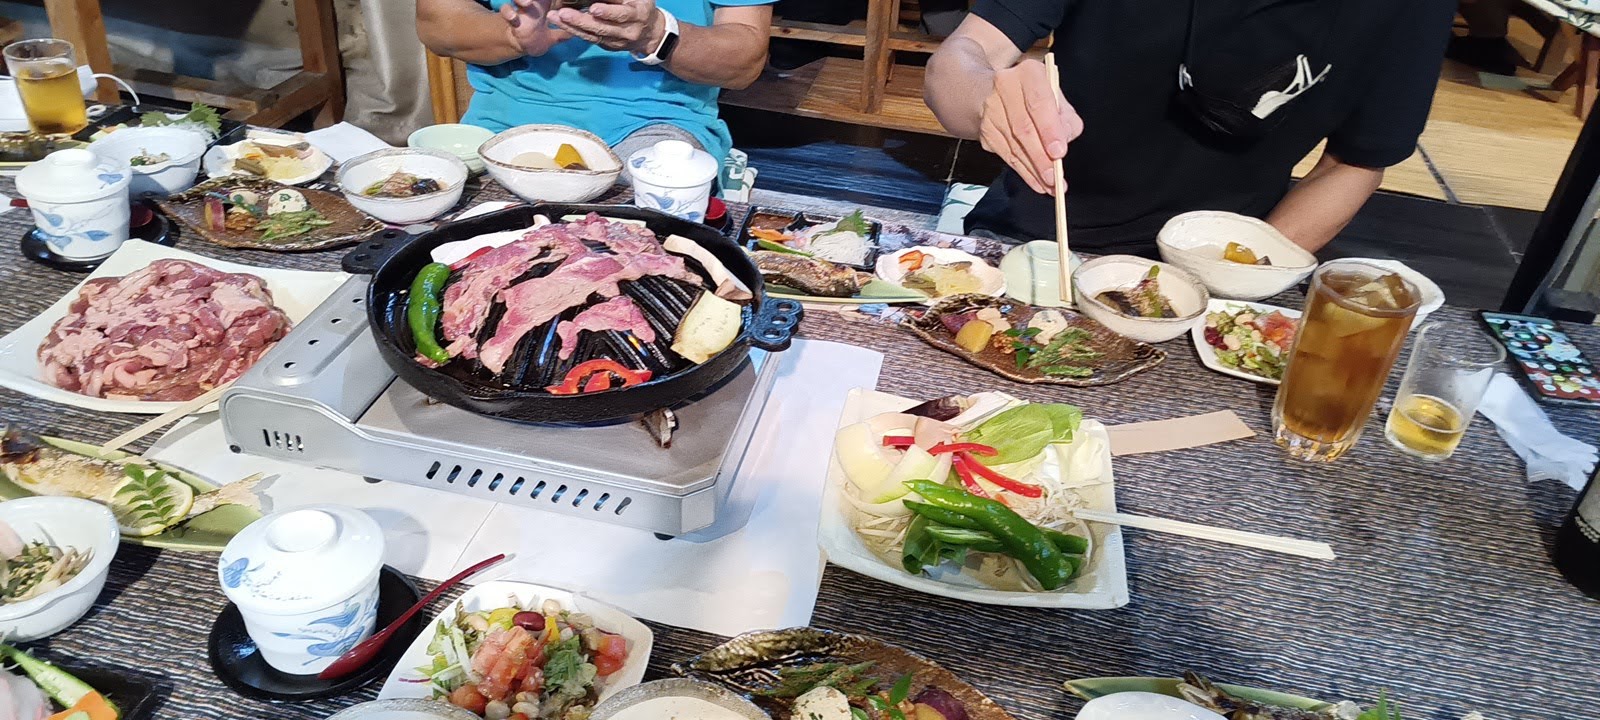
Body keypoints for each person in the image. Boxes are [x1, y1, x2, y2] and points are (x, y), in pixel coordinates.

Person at [924, 0, 1456, 256]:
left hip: (1220, 267)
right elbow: (956, 64)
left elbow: (1355, 161)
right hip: (1039, 238)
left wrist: (1246, 269)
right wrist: (989, 99)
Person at [417, 0, 774, 169]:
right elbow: (435, 22)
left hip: (654, 127)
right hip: (503, 122)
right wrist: (513, 36)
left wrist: (656, 35)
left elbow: (744, 62)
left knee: (632, 247)